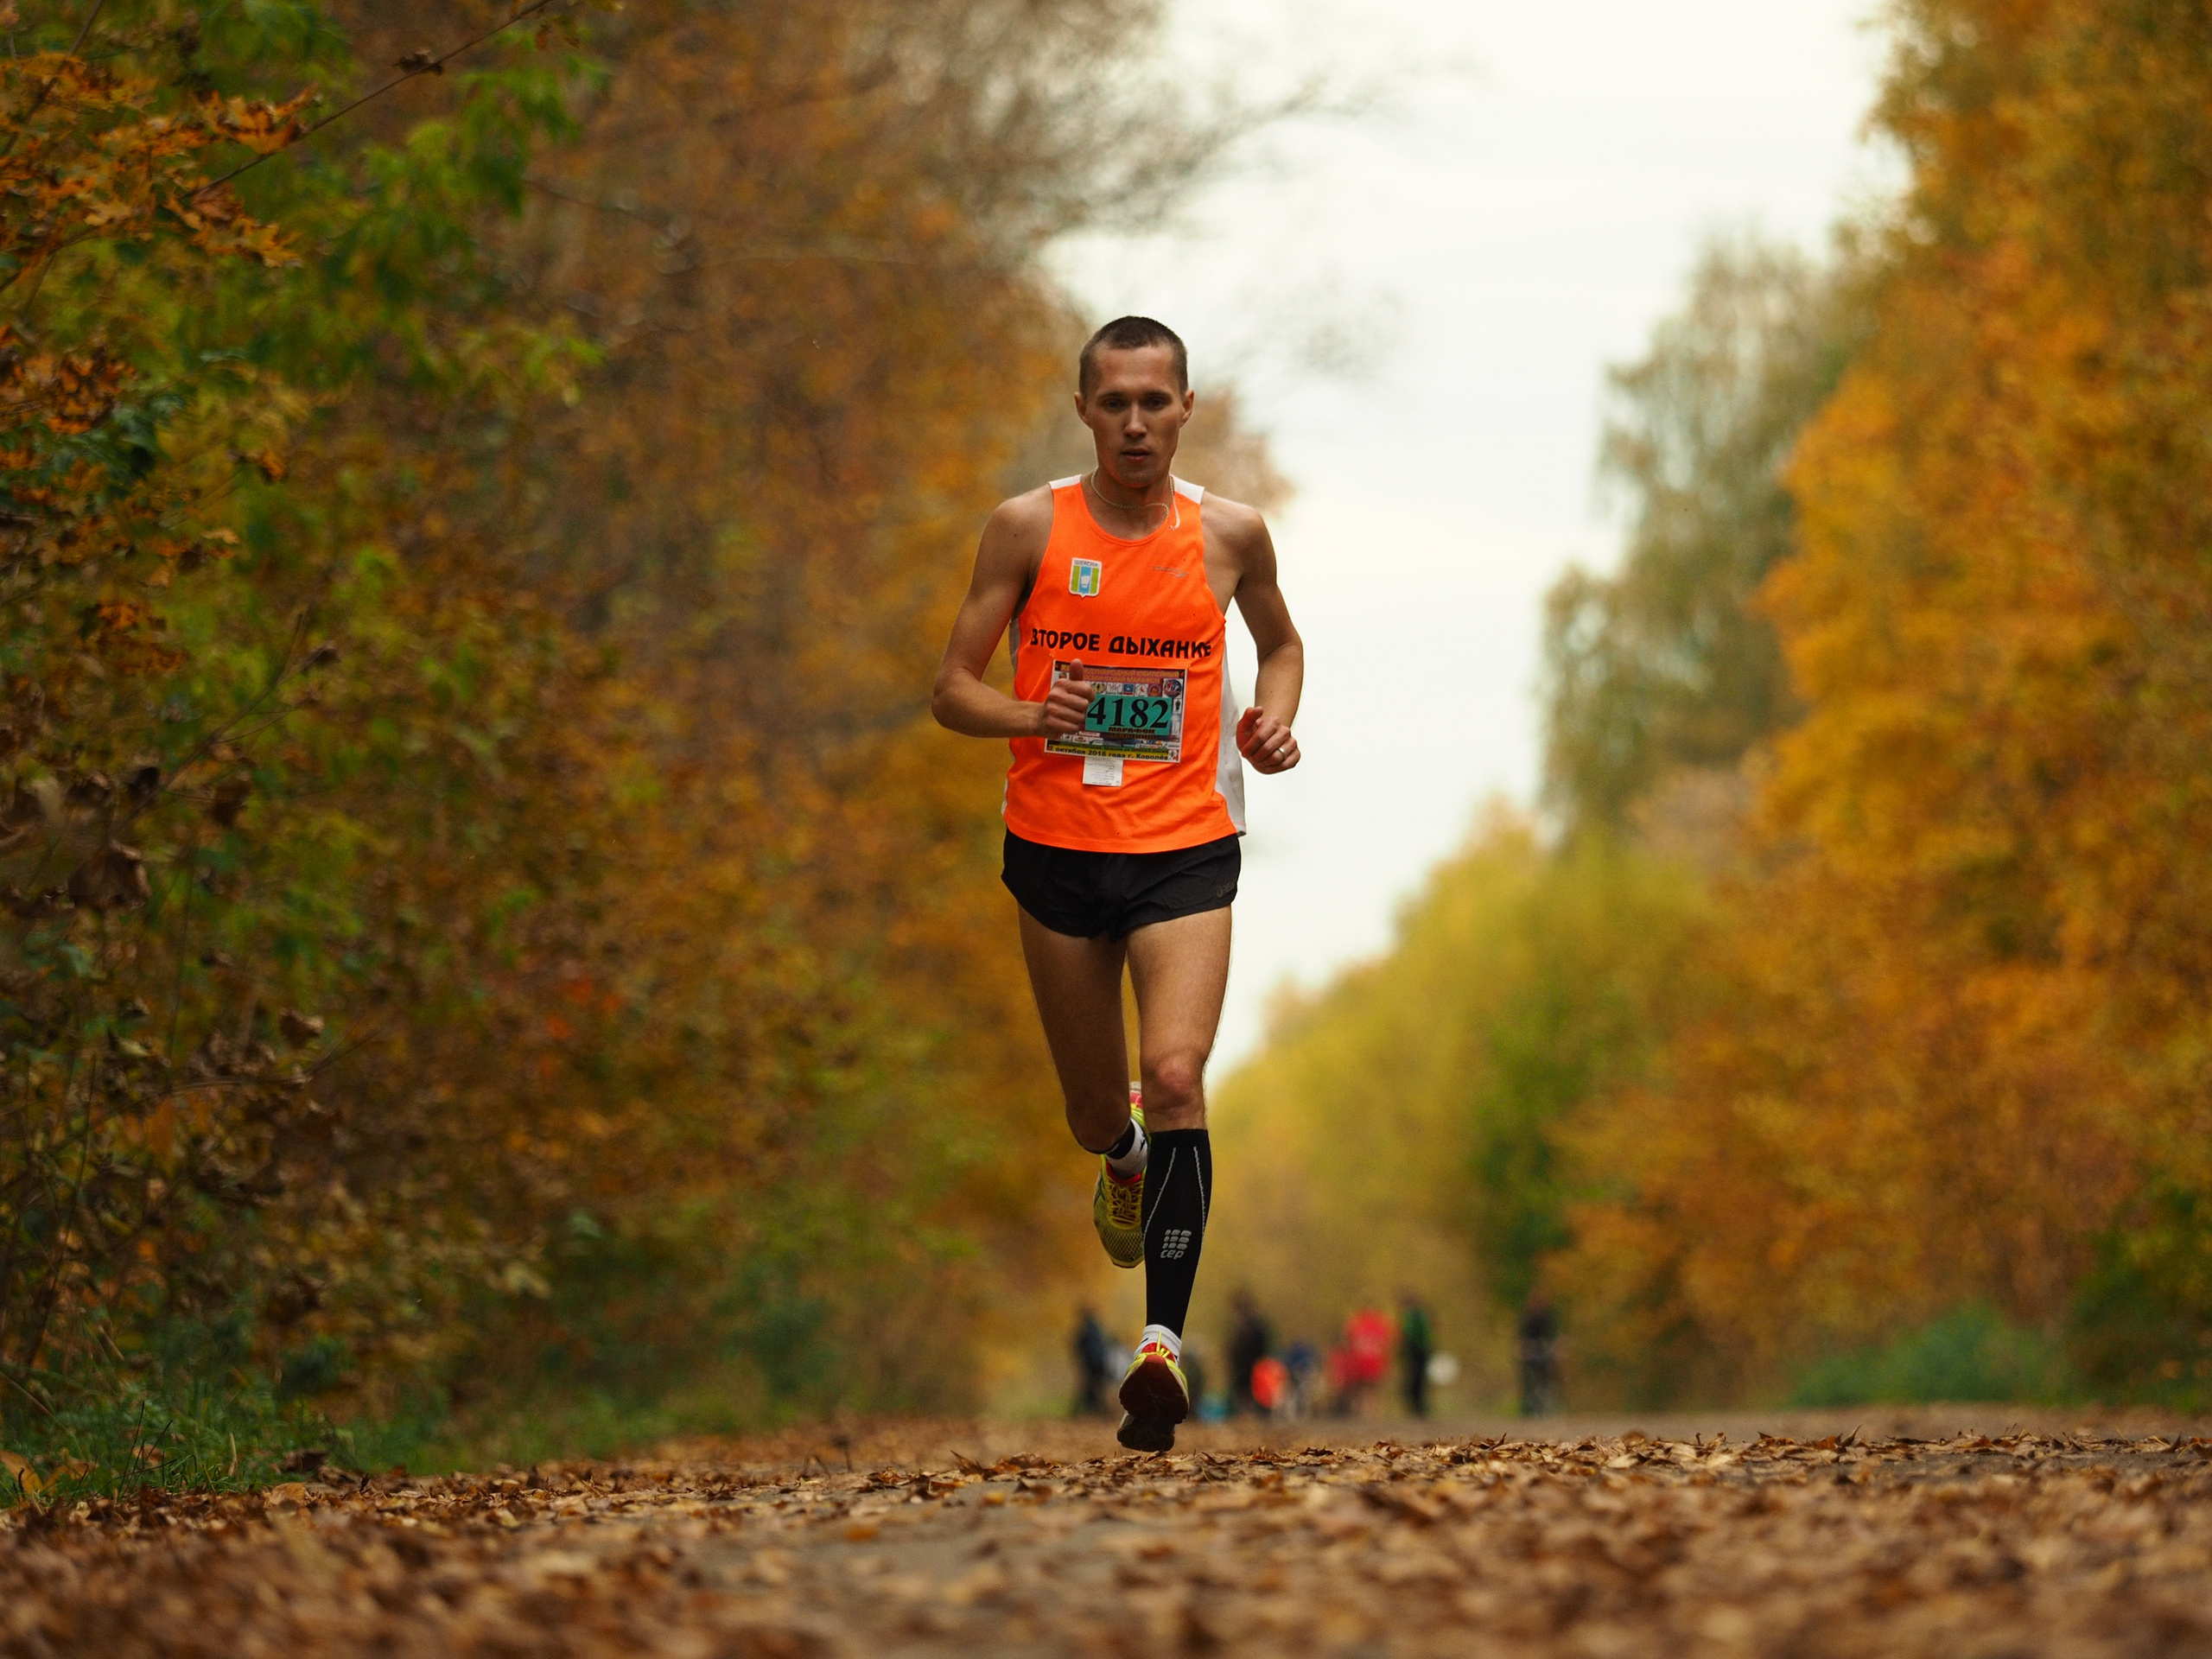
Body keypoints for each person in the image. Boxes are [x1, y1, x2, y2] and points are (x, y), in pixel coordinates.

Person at [931, 316, 1306, 1452]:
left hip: (1187, 844)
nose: (1137, 422)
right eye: (1116, 403)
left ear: (1187, 408)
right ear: (1086, 411)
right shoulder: (1028, 527)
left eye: (1157, 401)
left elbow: (1283, 646)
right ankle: (1126, 1160)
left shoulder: (1232, 536)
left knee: (1178, 1072)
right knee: (1101, 1110)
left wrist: (1274, 724)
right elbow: (950, 688)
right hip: (1054, 848)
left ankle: (1161, 1351)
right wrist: (1024, 712)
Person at [1227, 1289, 1274, 1417]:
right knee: (1246, 1391)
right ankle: (1248, 1415)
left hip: (1249, 1366)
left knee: (1249, 1391)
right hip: (1246, 1366)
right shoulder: (1251, 1325)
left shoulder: (1250, 1326)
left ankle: (1250, 1415)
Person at [1518, 1294, 1561, 1417]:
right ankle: (1529, 1406)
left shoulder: (1547, 1318)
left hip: (1543, 1351)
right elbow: (1522, 1339)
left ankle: (1548, 1402)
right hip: (1531, 1352)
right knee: (1528, 1377)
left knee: (1549, 1372)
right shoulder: (1527, 1319)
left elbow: (1552, 1337)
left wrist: (1556, 1348)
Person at [1398, 1292, 1434, 1418]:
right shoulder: (1420, 1315)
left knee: (1415, 1379)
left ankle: (1417, 1407)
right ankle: (1419, 1407)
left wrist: (1403, 1350)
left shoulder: (1412, 1316)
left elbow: (1408, 1335)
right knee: (1420, 1379)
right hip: (1422, 1351)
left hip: (1415, 1351)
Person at [1072, 1306, 1112, 1417]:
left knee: (1092, 1388)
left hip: (1093, 1364)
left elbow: (1081, 1346)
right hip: (1100, 1363)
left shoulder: (1087, 1329)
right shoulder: (1097, 1328)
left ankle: (1083, 1413)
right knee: (1096, 1389)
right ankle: (1100, 1413)